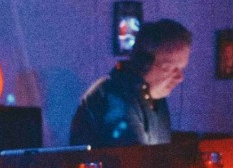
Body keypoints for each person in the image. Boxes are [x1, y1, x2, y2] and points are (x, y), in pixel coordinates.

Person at [69, 19, 191, 147]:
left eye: (181, 68)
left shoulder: (156, 100)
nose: (180, 78)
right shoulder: (113, 95)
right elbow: (132, 155)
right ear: (144, 63)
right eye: (169, 68)